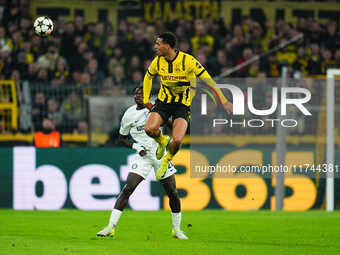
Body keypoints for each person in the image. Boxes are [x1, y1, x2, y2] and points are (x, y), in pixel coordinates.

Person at [97, 86, 188, 240]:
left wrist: (155, 110)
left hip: (160, 155)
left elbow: (173, 125)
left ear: (147, 95)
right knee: (127, 189)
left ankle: (177, 229)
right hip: (143, 156)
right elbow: (122, 137)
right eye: (136, 94)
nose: (139, 96)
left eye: (142, 94)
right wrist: (136, 146)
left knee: (172, 193)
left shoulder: (156, 108)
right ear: (134, 97)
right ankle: (110, 227)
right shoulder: (129, 114)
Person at [143, 32, 233, 180]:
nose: (155, 47)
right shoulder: (157, 61)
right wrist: (146, 98)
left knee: (177, 140)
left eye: (158, 44)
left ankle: (166, 160)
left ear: (167, 46)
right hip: (164, 102)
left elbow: (209, 81)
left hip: (182, 105)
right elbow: (148, 76)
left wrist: (224, 101)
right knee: (149, 129)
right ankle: (162, 141)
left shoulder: (188, 61)